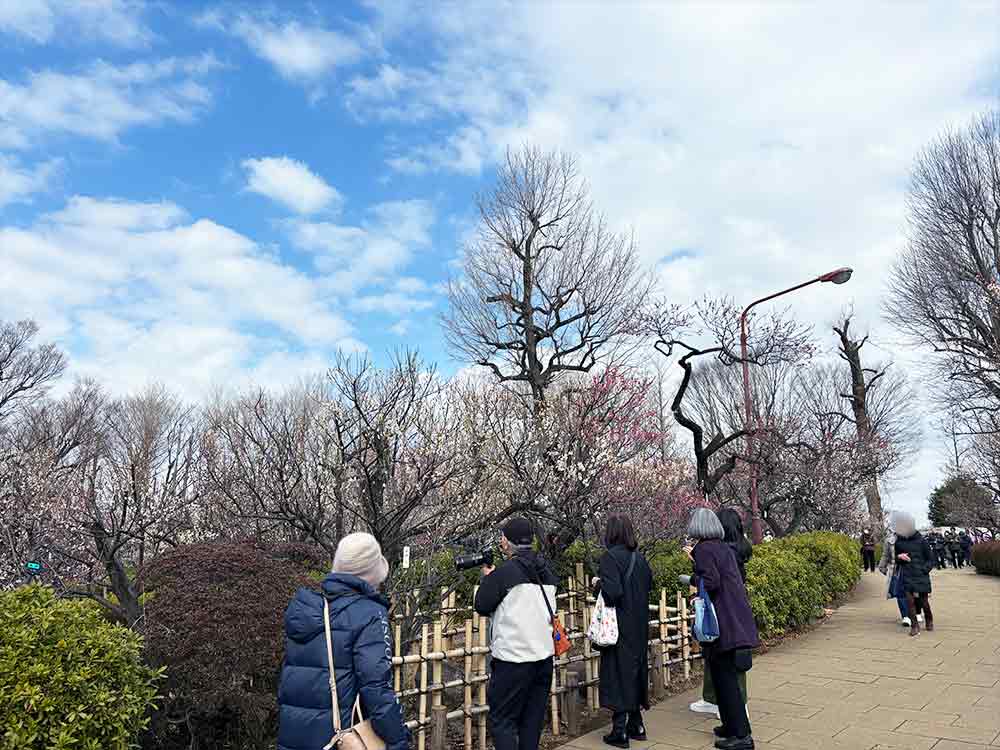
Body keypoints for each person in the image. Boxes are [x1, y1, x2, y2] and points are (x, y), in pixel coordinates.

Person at [277, 532, 409, 750]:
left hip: (294, 736)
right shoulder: (368, 613)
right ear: (371, 572)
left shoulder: (308, 611)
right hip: (339, 740)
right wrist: (398, 742)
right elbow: (377, 689)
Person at [474, 517, 559, 750]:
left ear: (505, 542)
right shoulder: (547, 572)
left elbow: (481, 604)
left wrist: (488, 578)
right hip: (543, 659)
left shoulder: (504, 573)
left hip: (513, 661)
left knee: (502, 721)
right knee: (531, 723)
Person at [686, 508, 758, 750]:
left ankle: (742, 736)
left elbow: (711, 581)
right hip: (735, 620)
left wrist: (692, 579)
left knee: (726, 681)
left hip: (723, 625)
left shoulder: (705, 549)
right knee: (721, 678)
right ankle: (730, 725)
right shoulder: (724, 548)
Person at [594, 515, 654, 749]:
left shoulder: (610, 557)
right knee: (636, 670)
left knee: (618, 672)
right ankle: (637, 724)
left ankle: (619, 731)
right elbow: (648, 584)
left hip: (618, 625)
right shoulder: (639, 559)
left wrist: (598, 584)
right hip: (639, 624)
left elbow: (613, 593)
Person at [893, 513, 934, 636]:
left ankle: (929, 619)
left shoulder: (922, 541)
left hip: (921, 575)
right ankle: (914, 626)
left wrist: (924, 569)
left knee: (923, 602)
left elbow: (931, 560)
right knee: (909, 602)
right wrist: (899, 557)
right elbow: (895, 558)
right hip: (907, 575)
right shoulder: (898, 542)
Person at [878, 512, 910, 627]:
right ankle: (905, 616)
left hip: (911, 569)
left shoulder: (912, 538)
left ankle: (915, 612)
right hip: (896, 569)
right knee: (900, 593)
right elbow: (885, 555)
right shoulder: (889, 540)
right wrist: (881, 566)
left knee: (914, 592)